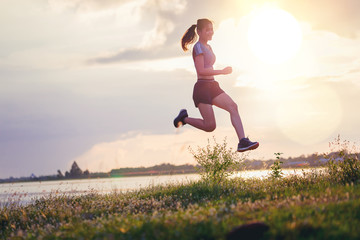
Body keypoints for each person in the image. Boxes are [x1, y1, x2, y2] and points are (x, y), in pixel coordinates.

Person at [173, 18, 259, 152]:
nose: (211, 32)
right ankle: (184, 118)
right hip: (202, 89)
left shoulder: (208, 47)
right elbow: (201, 70)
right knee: (210, 126)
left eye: (212, 29)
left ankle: (242, 141)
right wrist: (222, 72)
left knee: (233, 107)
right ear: (199, 31)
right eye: (207, 30)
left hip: (212, 86)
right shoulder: (198, 47)